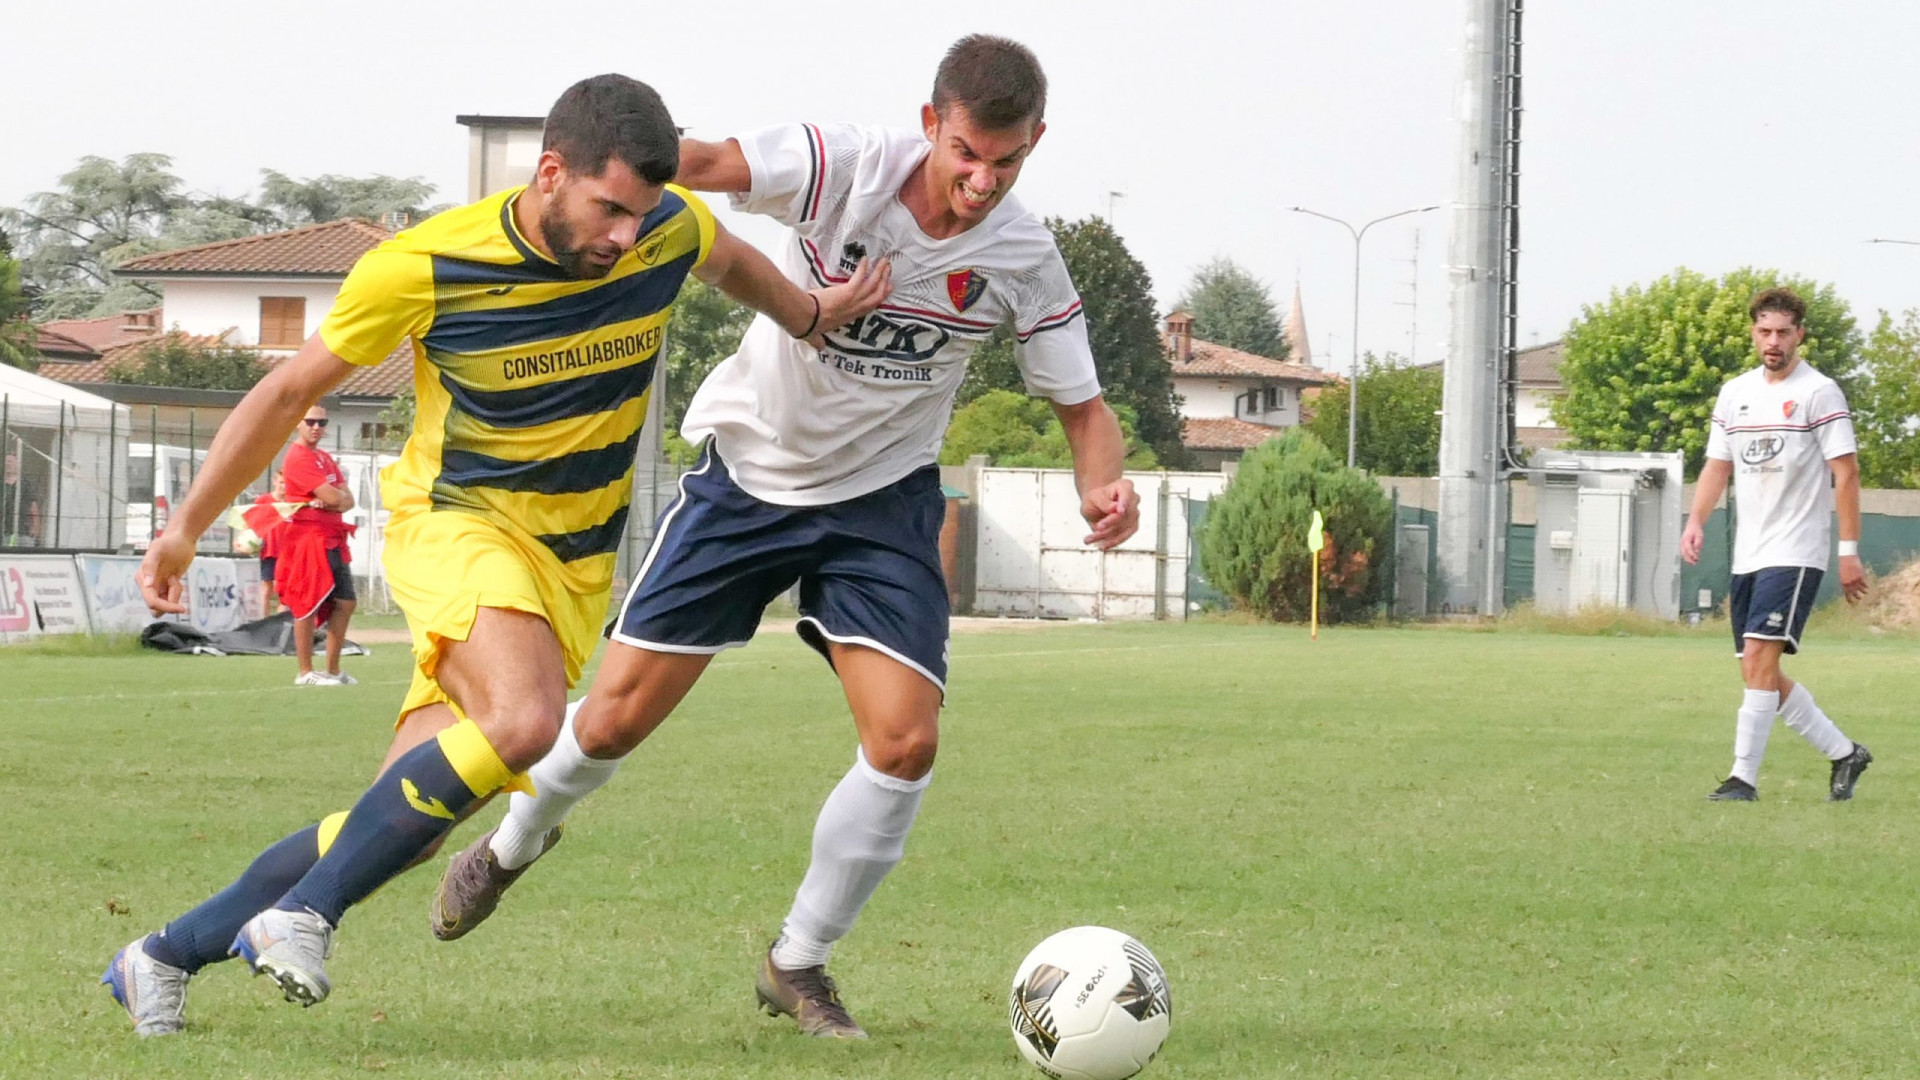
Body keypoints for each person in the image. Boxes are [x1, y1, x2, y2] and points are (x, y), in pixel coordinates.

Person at [101, 72, 890, 1037]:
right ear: (551, 172)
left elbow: (726, 260)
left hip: (570, 569)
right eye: (608, 210)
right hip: (459, 524)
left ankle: (158, 957)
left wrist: (812, 315)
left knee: (394, 826)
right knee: (525, 722)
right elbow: (284, 390)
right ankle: (300, 915)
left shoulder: (666, 228)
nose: (624, 238)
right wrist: (186, 524)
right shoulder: (422, 265)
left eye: (642, 216)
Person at [430, 35, 1140, 1040]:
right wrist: (580, 178)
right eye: (969, 153)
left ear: (1034, 145)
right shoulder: (840, 166)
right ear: (932, 124)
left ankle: (798, 960)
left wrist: (1103, 481)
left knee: (905, 741)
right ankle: (510, 846)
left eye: (1009, 162)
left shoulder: (1021, 252)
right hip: (750, 482)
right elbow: (704, 163)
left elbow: (1083, 403)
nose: (984, 181)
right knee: (613, 722)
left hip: (882, 504)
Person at [1682, 286, 1872, 803]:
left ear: (1800, 335)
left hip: (1796, 550)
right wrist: (1696, 519)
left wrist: (1848, 550)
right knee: (1755, 668)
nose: (1773, 341)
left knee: (1761, 664)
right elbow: (1717, 465)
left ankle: (1743, 777)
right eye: (1764, 331)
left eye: (1783, 332)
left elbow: (1846, 472)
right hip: (1751, 551)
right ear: (1753, 333)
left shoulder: (1819, 392)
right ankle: (1844, 753)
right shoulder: (1734, 392)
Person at [279, 407, 358, 685]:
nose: (316, 426)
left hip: (332, 535)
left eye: (321, 422)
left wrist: (336, 498)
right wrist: (335, 497)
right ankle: (305, 672)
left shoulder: (323, 457)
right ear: (298, 423)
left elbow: (348, 499)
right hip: (309, 537)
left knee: (346, 601)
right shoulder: (298, 457)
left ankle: (333, 670)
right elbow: (333, 495)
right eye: (310, 421)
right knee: (308, 601)